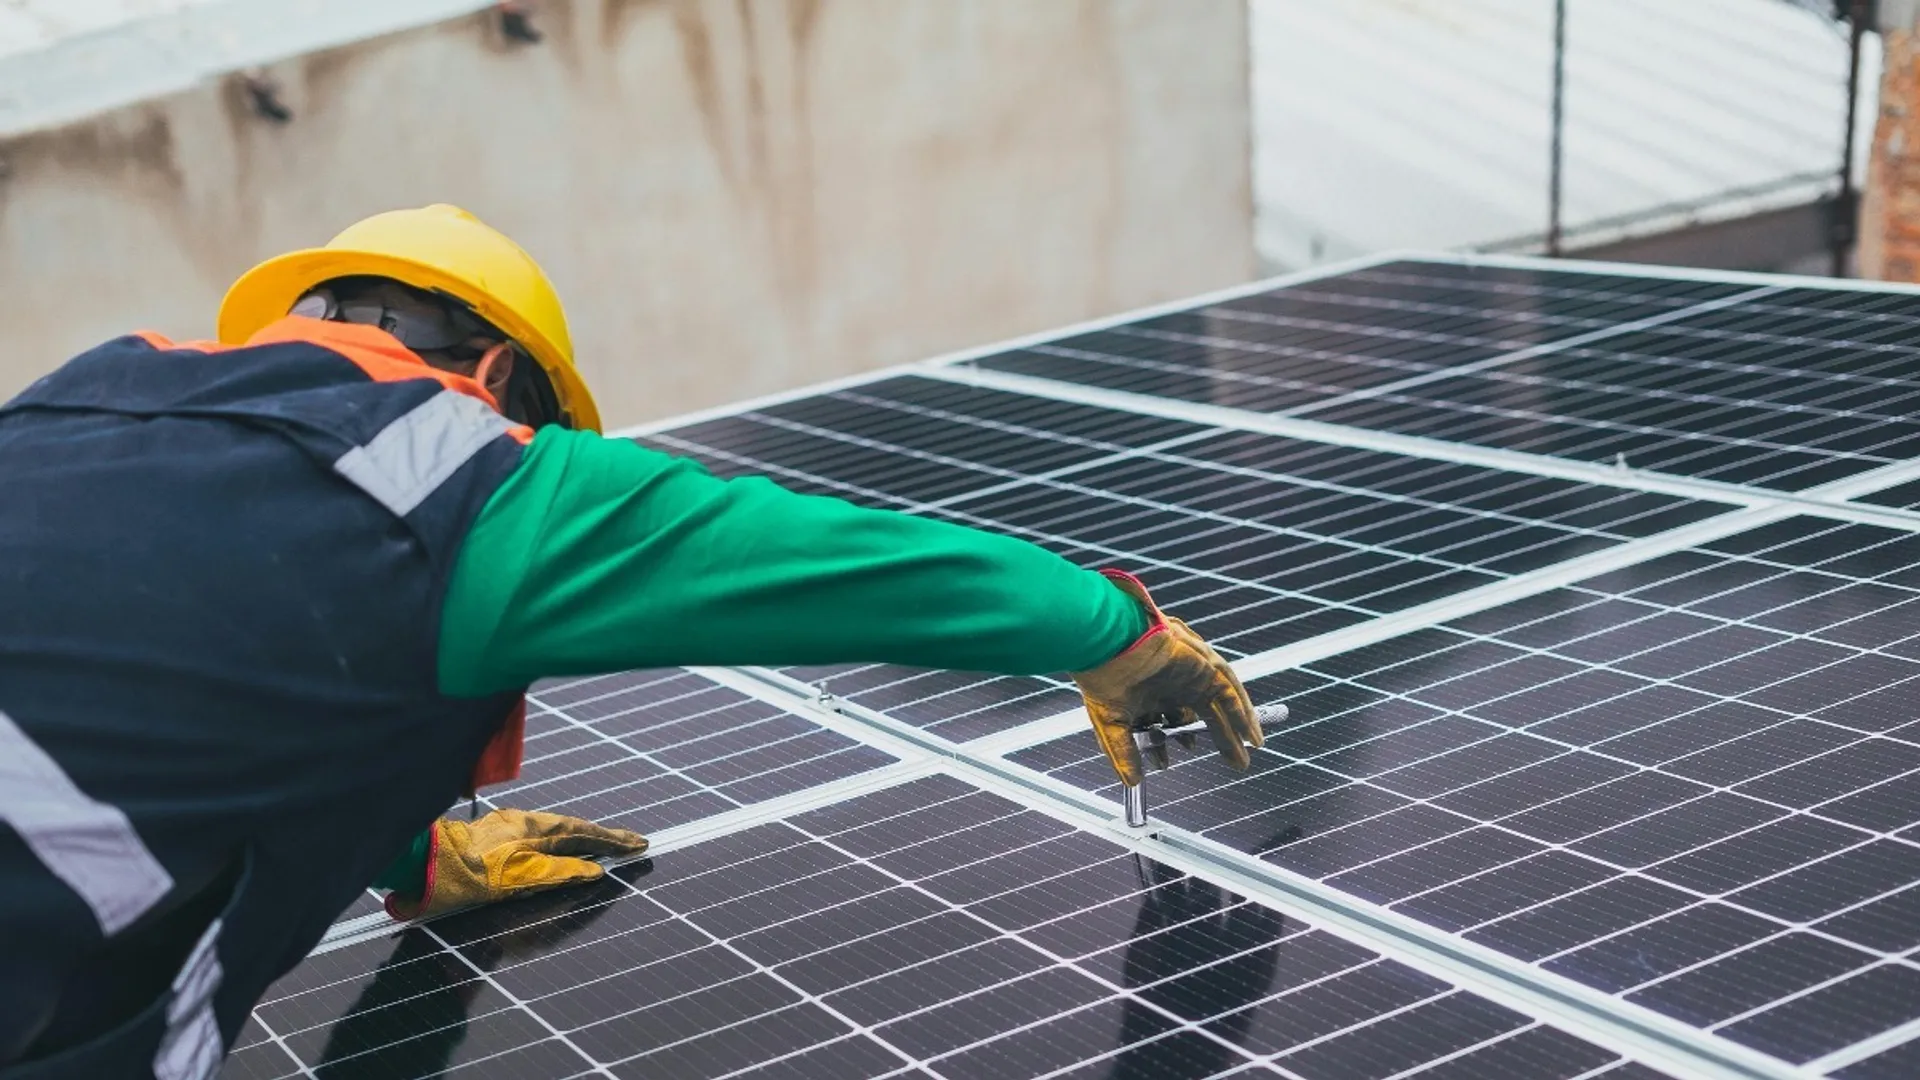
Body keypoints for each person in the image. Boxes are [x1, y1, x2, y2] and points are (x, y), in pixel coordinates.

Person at [0, 204, 1260, 1079]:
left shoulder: (83, 394)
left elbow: (201, 670)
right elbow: (832, 560)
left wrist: (415, 857)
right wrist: (1116, 633)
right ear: (499, 374)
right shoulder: (466, 477)